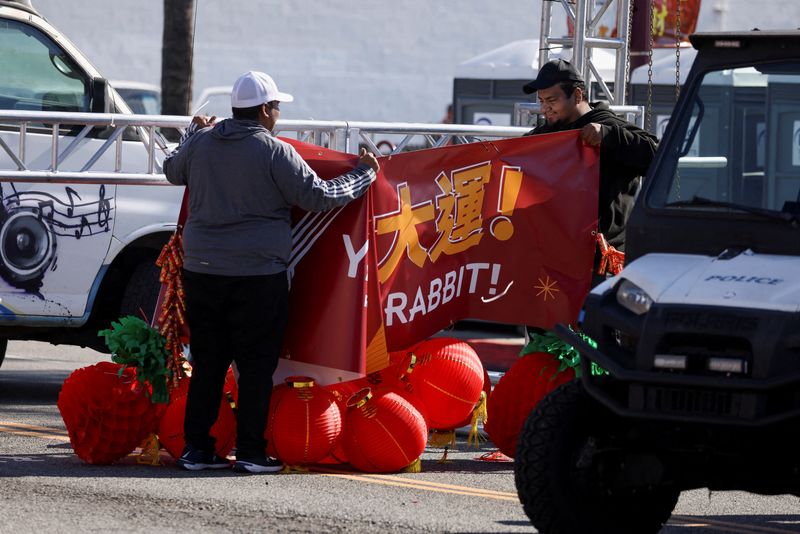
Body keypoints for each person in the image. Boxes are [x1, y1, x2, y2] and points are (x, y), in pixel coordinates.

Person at [163, 71, 380, 474]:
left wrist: (192, 135)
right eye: (277, 107)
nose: (278, 114)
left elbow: (171, 170)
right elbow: (317, 196)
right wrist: (364, 175)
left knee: (208, 363)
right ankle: (249, 452)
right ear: (265, 110)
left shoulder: (202, 144)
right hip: (257, 275)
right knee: (256, 366)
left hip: (202, 270)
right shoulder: (273, 151)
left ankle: (197, 449)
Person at [523, 59, 657, 263]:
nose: (545, 109)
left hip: (604, 260)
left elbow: (657, 155)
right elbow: (514, 157)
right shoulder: (544, 134)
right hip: (557, 257)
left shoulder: (609, 125)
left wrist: (608, 136)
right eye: (541, 101)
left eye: (551, 100)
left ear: (577, 95)